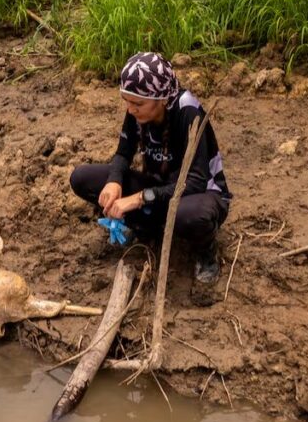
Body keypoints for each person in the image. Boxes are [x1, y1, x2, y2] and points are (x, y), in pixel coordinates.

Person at [70, 52, 232, 284]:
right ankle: (147, 227)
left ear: (162, 98)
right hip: (159, 187)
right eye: (126, 100)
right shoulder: (136, 111)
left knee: (189, 215)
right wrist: (114, 181)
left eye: (137, 103)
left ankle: (206, 252)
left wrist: (138, 198)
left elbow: (195, 181)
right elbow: (123, 153)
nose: (130, 109)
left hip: (199, 194)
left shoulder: (188, 112)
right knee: (82, 178)